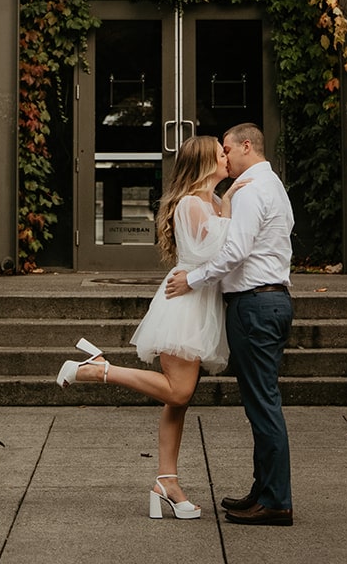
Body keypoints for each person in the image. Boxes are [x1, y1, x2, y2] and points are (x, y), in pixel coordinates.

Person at [55, 132, 235, 520]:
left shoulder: (214, 201)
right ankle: (98, 370)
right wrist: (236, 206)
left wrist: (229, 204)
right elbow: (216, 250)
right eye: (222, 154)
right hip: (185, 304)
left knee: (176, 402)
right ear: (206, 162)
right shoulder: (191, 204)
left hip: (200, 303)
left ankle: (166, 481)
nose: (227, 159)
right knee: (180, 392)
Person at [165, 121, 295, 526]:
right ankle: (263, 491)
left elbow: (235, 250)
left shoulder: (255, 190)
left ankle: (274, 501)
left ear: (244, 146)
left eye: (226, 148)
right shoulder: (266, 185)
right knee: (260, 402)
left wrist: (194, 279)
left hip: (256, 305)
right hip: (263, 302)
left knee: (263, 405)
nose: (223, 155)